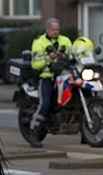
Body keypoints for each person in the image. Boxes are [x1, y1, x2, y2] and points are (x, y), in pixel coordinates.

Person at [28, 18, 72, 148]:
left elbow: (73, 54)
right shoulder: (39, 42)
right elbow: (35, 63)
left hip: (63, 76)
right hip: (46, 77)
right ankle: (34, 133)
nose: (55, 32)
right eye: (53, 29)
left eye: (57, 29)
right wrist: (49, 57)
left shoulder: (65, 40)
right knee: (45, 103)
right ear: (47, 29)